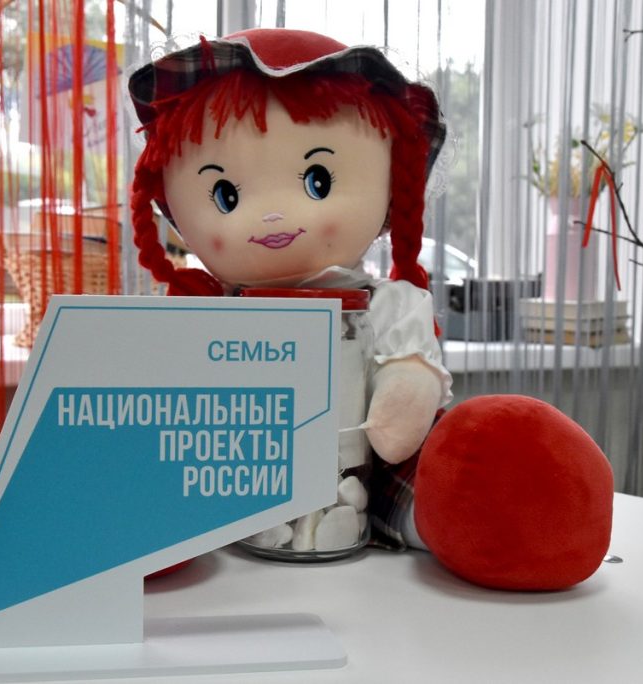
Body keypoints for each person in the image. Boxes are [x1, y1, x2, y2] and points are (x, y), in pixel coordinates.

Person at [127, 28, 453, 548]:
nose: (273, 216)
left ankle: (446, 520)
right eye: (226, 195)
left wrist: (405, 388)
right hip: (231, 485)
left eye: (318, 181)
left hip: (362, 476)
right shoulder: (209, 309)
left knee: (442, 486)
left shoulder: (383, 305)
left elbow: (401, 406)